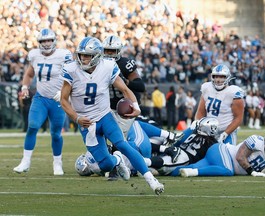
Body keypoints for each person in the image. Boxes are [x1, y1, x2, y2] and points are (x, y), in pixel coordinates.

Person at [60, 36, 164, 195]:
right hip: (87, 123)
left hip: (104, 116)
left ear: (96, 55)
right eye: (81, 55)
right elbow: (63, 100)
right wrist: (77, 118)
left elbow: (125, 90)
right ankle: (117, 160)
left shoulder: (108, 66)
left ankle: (151, 180)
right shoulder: (71, 69)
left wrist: (136, 106)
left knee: (122, 144)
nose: (83, 58)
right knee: (106, 165)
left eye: (87, 55)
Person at [13, 28, 73, 175]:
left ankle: (57, 163)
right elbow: (29, 73)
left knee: (56, 133)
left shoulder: (63, 55)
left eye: (49, 40)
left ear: (54, 41)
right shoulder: (34, 55)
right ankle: (25, 162)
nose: (46, 43)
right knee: (32, 126)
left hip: (57, 99)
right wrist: (25, 86)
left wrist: (64, 92)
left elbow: (73, 75)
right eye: (43, 41)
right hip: (40, 98)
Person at [177, 128, 265, 177]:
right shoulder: (256, 140)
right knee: (228, 171)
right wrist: (252, 172)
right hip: (223, 151)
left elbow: (259, 164)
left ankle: (164, 171)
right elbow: (240, 157)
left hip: (222, 160)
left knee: (190, 167)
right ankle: (194, 173)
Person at [145, 117, 219, 176]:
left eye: (202, 126)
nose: (199, 127)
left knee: (161, 162)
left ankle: (144, 165)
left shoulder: (195, 134)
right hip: (185, 157)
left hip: (178, 150)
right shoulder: (212, 143)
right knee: (163, 163)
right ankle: (143, 166)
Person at [193, 64, 245, 145]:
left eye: (222, 77)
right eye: (216, 76)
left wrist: (225, 134)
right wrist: (198, 126)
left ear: (227, 77)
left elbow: (238, 118)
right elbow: (200, 112)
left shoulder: (233, 92)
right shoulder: (207, 88)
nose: (218, 80)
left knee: (227, 156)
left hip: (227, 132)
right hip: (208, 131)